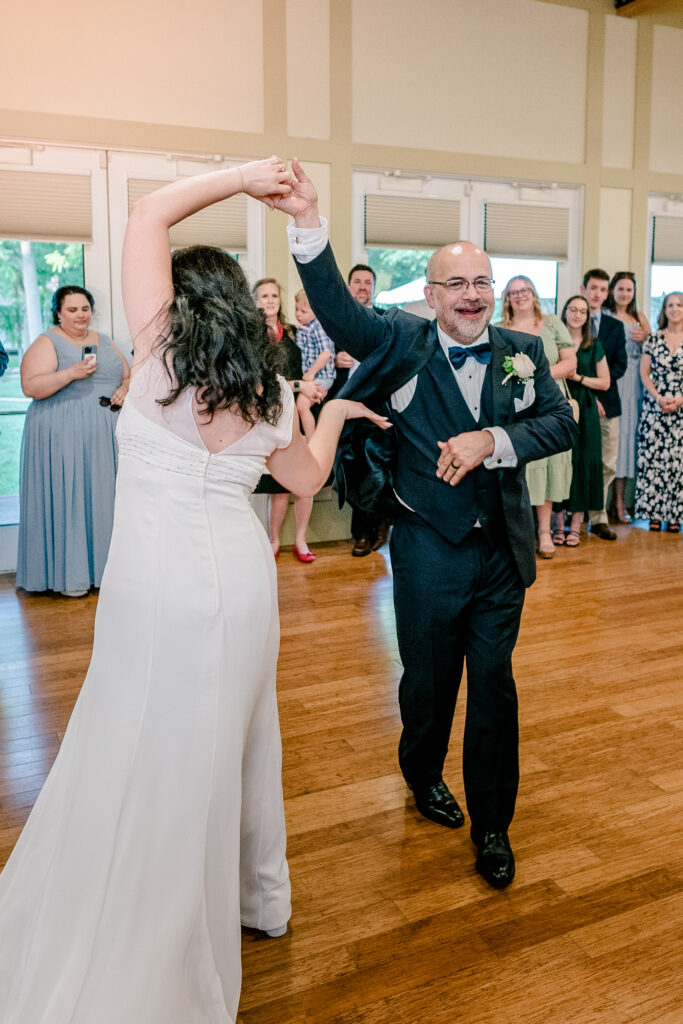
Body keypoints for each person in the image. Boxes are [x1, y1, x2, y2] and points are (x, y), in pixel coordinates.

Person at [0, 156, 387, 1023]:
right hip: (244, 588)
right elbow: (304, 479)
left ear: (176, 302)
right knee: (242, 737)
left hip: (155, 587)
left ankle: (156, 908)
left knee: (141, 739)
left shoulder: (156, 357)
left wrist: (246, 176)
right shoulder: (269, 390)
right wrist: (333, 412)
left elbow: (146, 215)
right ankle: (258, 898)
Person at [277, 159, 577, 889]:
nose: (472, 297)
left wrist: (493, 442)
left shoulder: (523, 352)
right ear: (431, 294)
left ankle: (493, 826)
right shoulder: (398, 340)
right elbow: (338, 311)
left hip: (501, 553)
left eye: (482, 282)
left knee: (495, 687)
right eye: (456, 284)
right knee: (428, 682)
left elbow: (559, 422)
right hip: (424, 551)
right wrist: (307, 225)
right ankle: (421, 774)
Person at [16, 285, 130, 596]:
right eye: (72, 310)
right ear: (58, 312)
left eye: (85, 309)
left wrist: (126, 389)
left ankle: (107, 574)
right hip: (63, 435)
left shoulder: (104, 341)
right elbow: (31, 387)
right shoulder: (47, 342)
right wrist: (71, 373)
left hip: (105, 436)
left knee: (104, 500)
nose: (81, 315)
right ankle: (71, 574)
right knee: (70, 498)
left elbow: (128, 374)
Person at [498, 276, 576, 559]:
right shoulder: (499, 329)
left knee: (547, 462)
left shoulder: (552, 323)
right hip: (514, 405)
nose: (519, 296)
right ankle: (520, 532)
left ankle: (544, 531)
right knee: (520, 466)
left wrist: (534, 376)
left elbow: (570, 363)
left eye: (524, 290)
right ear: (507, 298)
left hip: (548, 401)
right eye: (513, 292)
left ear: (534, 294)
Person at [253, 278, 326, 562]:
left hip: (300, 411)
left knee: (305, 479)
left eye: (274, 295)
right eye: (264, 296)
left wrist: (315, 386)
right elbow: (262, 381)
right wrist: (300, 386)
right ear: (255, 301)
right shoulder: (253, 336)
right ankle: (274, 541)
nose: (270, 300)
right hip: (272, 415)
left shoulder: (295, 332)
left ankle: (300, 540)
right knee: (280, 488)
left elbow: (317, 357)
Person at [331, 263, 392, 556]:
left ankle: (375, 530)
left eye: (369, 282)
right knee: (351, 469)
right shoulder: (335, 317)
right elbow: (312, 355)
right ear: (348, 284)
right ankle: (363, 532)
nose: (363, 287)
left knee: (376, 471)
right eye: (357, 281)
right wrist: (333, 360)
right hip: (341, 406)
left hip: (375, 406)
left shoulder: (384, 318)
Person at [558, 296, 610, 547]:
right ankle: (558, 525)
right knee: (560, 461)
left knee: (583, 462)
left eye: (582, 311)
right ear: (565, 312)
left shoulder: (594, 344)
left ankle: (575, 526)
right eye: (572, 309)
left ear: (588, 317)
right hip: (559, 405)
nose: (577, 315)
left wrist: (578, 378)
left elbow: (605, 382)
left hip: (586, 407)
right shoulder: (557, 340)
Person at [580, 268, 627, 540]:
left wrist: (599, 390)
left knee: (607, 463)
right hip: (579, 402)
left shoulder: (615, 326)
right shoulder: (571, 319)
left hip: (609, 403)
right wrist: (589, 395)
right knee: (578, 460)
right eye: (593, 288)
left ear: (607, 293)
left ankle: (598, 518)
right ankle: (572, 516)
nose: (597, 293)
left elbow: (619, 364)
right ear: (583, 288)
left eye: (602, 289)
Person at [603, 272, 651, 523]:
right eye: (620, 289)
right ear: (612, 290)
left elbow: (654, 351)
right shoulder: (605, 316)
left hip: (634, 384)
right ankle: (601, 503)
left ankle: (620, 502)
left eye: (629, 290)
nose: (624, 294)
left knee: (626, 442)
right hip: (612, 381)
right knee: (609, 441)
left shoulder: (639, 317)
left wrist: (645, 339)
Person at [634, 292, 683, 532]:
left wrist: (679, 400)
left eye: (679, 305)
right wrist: (659, 397)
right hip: (655, 407)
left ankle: (675, 515)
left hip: (681, 408)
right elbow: (644, 373)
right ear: (664, 310)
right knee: (652, 461)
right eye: (670, 305)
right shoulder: (653, 340)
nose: (675, 309)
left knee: (677, 463)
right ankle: (653, 513)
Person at [293, 288, 335, 438]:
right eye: (296, 309)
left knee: (302, 405)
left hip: (322, 376)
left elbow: (325, 354)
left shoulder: (319, 328)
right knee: (299, 407)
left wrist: (310, 374)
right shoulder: (305, 328)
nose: (298, 314)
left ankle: (312, 441)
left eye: (303, 311)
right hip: (313, 377)